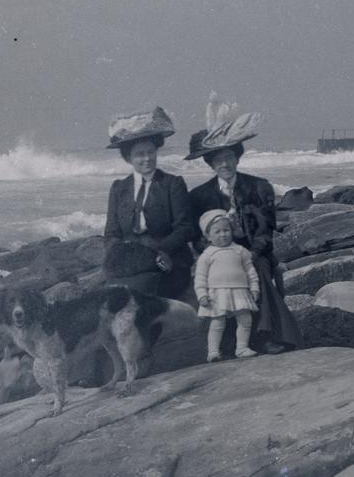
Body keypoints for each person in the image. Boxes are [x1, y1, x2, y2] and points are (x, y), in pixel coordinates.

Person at [186, 112, 301, 354]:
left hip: (255, 251)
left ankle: (266, 335)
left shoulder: (259, 187)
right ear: (210, 164)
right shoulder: (199, 196)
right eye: (218, 160)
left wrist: (249, 253)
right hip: (217, 252)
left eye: (228, 157)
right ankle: (224, 341)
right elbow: (195, 236)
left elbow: (266, 230)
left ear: (237, 158)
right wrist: (210, 252)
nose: (224, 165)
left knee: (256, 266)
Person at [103, 106, 194, 302]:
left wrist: (163, 251)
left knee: (140, 291)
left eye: (151, 152)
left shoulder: (172, 184)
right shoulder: (119, 188)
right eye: (140, 154)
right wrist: (116, 257)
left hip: (167, 258)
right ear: (128, 158)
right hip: (129, 261)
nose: (147, 158)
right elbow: (111, 232)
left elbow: (185, 227)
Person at [194, 209, 261, 362]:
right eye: (217, 232)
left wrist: (254, 287)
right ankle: (213, 351)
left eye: (226, 230)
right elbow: (200, 277)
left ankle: (242, 348)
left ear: (232, 231)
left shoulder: (240, 251)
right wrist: (202, 294)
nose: (223, 234)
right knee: (217, 322)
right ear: (208, 236)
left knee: (245, 319)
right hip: (218, 293)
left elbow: (250, 271)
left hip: (240, 291)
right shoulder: (207, 255)